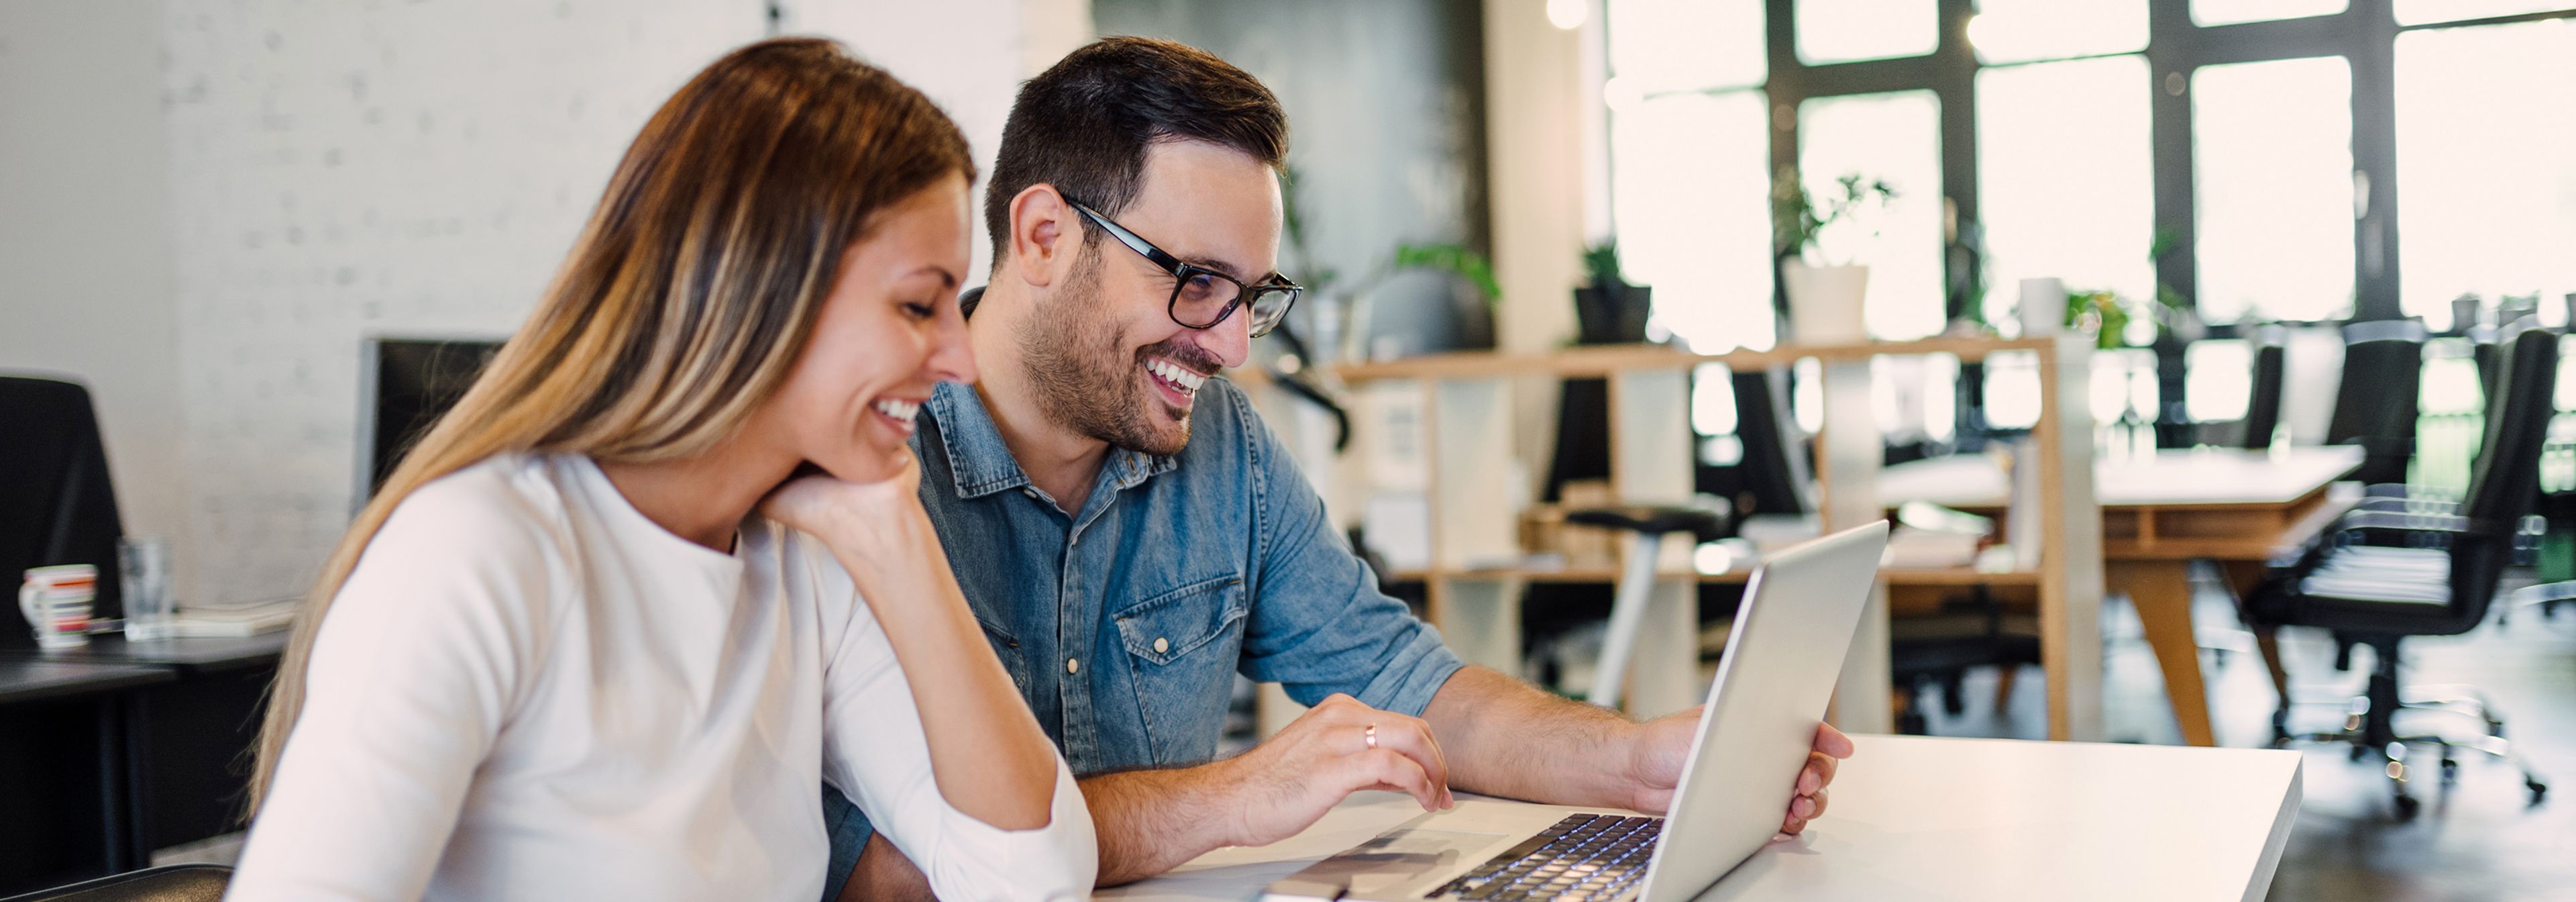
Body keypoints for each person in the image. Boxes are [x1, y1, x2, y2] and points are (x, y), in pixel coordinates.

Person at [824, 36, 1851, 899]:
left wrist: (1637, 763)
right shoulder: (866, 469)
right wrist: (1234, 797)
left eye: (1253, 298)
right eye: (1195, 284)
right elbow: (888, 875)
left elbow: (1415, 687)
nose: (1232, 346)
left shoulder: (1223, 450)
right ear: (1044, 235)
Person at [228, 39, 1093, 901]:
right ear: (762, 289)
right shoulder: (480, 551)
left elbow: (1032, 879)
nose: (959, 357)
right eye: (917, 303)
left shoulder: (806, 556)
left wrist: (897, 536)